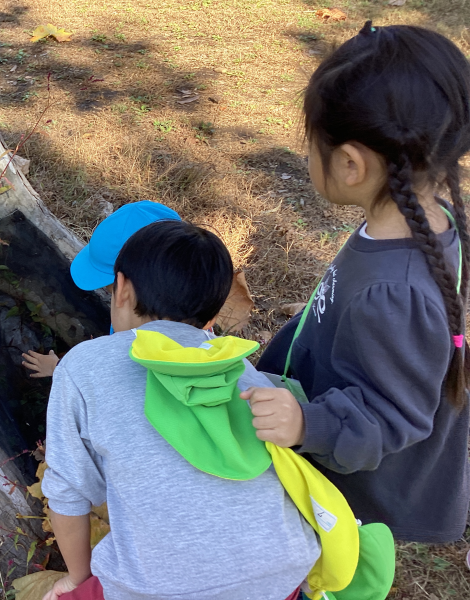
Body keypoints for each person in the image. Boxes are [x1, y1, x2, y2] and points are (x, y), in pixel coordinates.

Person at [247, 22, 470, 543]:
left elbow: (390, 418)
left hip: (354, 493)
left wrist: (307, 426)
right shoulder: (421, 220)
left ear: (350, 164)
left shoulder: (394, 293)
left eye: (311, 147)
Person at [41, 221, 320, 600]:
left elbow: (67, 493)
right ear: (211, 317)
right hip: (282, 574)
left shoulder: (82, 365)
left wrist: (78, 580)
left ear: (121, 288)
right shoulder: (240, 367)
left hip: (158, 589)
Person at [22, 201, 181, 378]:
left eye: (112, 289)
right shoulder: (193, 319)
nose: (110, 293)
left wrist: (59, 368)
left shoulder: (134, 355)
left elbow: (104, 377)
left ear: (124, 288)